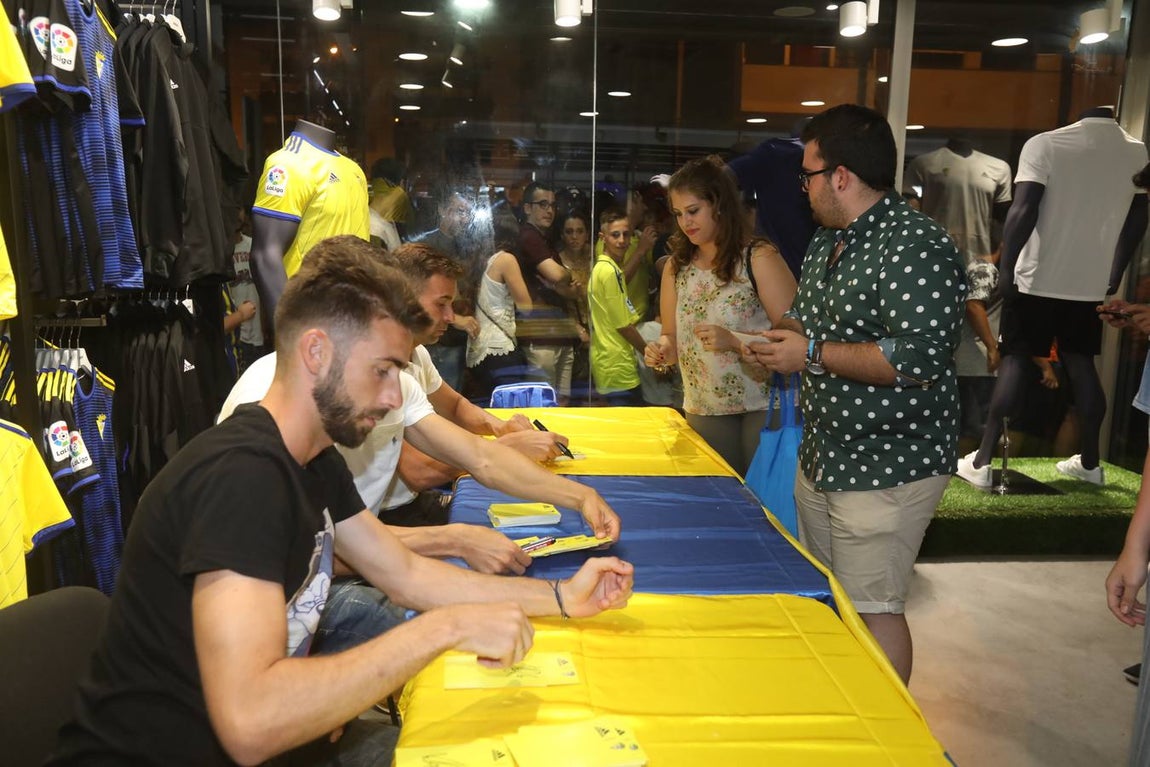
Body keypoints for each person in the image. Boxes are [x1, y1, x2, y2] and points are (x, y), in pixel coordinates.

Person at [50, 236, 634, 766]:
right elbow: (250, 723)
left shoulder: (313, 459)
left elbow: (403, 573)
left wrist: (562, 597)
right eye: (382, 371)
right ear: (316, 352)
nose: (391, 397)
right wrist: (444, 629)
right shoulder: (242, 477)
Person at [747, 104, 966, 684]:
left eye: (808, 174)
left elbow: (919, 358)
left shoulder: (916, 244)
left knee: (875, 607)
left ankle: (887, 735)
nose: (804, 187)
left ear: (839, 176)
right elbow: (805, 318)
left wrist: (810, 353)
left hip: (888, 463)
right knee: (834, 595)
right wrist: (778, 339)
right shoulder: (828, 240)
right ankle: (848, 705)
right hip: (825, 454)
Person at [957, 108, 1149, 488]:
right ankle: (1091, 464)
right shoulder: (1137, 152)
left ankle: (981, 462)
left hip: (1036, 280)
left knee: (1015, 362)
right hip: (1088, 284)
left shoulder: (1046, 143)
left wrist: (1007, 269)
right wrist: (1115, 270)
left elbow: (1024, 209)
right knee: (1082, 364)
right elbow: (1137, 219)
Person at [643, 155, 796, 475]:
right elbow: (671, 336)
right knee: (720, 506)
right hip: (703, 405)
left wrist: (735, 340)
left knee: (764, 507)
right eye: (678, 214)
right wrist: (662, 351)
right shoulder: (676, 267)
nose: (686, 222)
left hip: (764, 405)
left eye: (694, 210)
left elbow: (794, 338)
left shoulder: (759, 257)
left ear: (720, 205)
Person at [249, 120, 370, 326]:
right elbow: (264, 255)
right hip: (312, 319)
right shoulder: (288, 164)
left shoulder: (354, 170)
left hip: (354, 318)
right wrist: (293, 334)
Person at [517, 182, 582, 403]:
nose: (549, 210)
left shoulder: (544, 239)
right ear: (527, 208)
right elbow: (556, 275)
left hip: (559, 332)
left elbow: (565, 289)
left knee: (561, 403)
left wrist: (563, 283)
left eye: (553, 205)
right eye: (542, 204)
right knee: (542, 405)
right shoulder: (528, 237)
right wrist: (567, 274)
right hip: (541, 334)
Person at [467, 217, 540, 402]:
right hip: (500, 348)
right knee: (509, 410)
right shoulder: (506, 259)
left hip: (478, 350)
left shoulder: (481, 261)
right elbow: (526, 306)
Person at [415, 189, 481, 392]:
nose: (464, 218)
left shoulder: (462, 245)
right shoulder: (427, 245)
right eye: (459, 211)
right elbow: (419, 296)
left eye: (468, 213)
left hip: (457, 338)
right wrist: (456, 320)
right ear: (442, 210)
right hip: (438, 342)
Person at [589, 208, 645, 404]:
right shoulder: (608, 271)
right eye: (615, 235)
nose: (622, 240)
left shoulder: (605, 268)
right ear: (602, 238)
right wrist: (650, 353)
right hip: (617, 364)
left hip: (610, 360)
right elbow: (623, 325)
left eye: (626, 234)